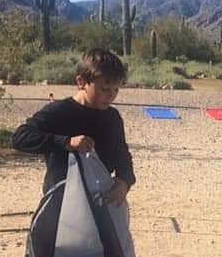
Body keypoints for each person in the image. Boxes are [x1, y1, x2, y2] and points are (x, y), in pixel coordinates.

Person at [12, 48, 135, 205]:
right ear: (81, 82)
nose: (111, 95)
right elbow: (19, 137)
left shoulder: (112, 118)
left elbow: (122, 156)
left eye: (116, 89)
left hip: (100, 202)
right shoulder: (58, 112)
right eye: (105, 89)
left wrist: (124, 181)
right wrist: (66, 142)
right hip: (61, 203)